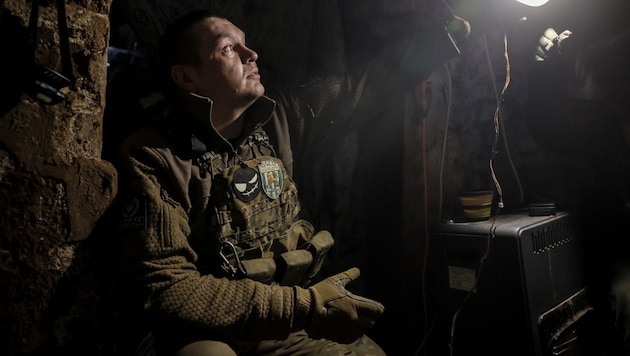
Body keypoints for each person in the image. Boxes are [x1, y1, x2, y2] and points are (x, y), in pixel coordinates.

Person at [110, 9, 466, 356]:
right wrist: (305, 306)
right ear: (187, 78)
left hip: (287, 323)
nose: (252, 54)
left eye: (245, 44)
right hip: (213, 330)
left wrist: (442, 37)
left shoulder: (279, 119)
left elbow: (363, 90)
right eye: (228, 48)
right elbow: (168, 287)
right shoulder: (152, 154)